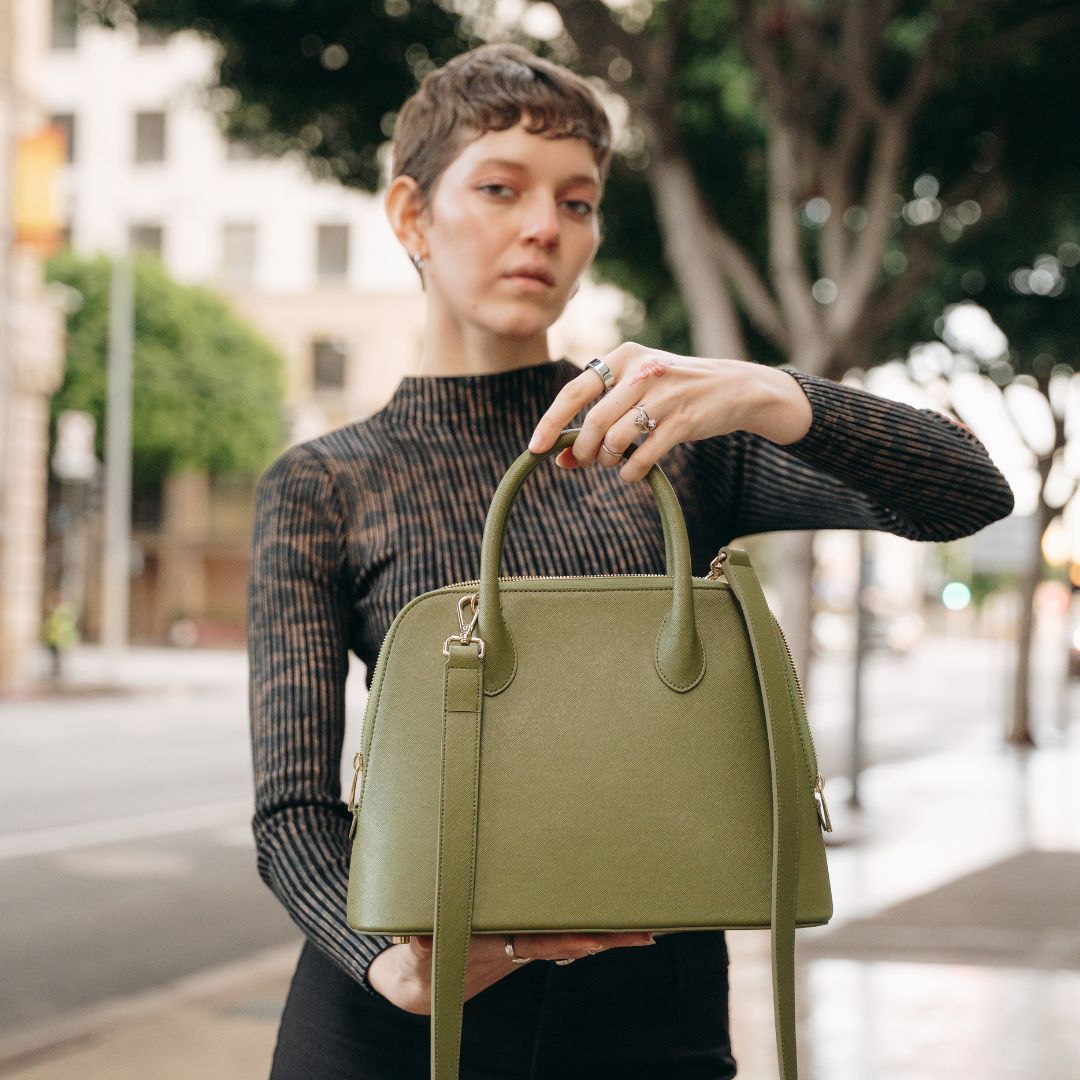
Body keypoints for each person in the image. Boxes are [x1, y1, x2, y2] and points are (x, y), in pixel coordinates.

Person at [247, 41, 1014, 1080]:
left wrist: (770, 395)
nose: (542, 228)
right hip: (402, 1018)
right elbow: (291, 808)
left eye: (577, 201)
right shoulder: (326, 482)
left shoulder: (668, 440)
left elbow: (967, 491)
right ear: (411, 216)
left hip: (654, 1018)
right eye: (501, 188)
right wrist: (387, 961)